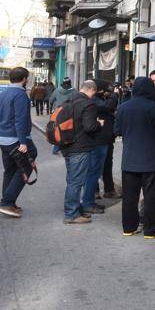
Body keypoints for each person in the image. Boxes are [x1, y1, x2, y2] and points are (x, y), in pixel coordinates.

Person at [115, 77, 155, 238]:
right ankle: (151, 229)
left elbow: (117, 130)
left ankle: (129, 227)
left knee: (129, 196)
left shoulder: (123, 107)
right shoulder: (154, 107)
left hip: (129, 159)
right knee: (150, 196)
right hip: (151, 159)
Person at [61, 80, 104, 225]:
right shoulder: (89, 104)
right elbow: (89, 127)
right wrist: (99, 124)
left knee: (71, 180)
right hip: (80, 147)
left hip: (67, 145)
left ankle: (75, 209)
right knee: (76, 182)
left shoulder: (70, 99)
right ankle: (71, 214)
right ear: (92, 90)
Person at [0, 67, 36, 218]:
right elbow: (20, 120)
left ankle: (9, 202)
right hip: (15, 138)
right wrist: (23, 142)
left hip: (3, 139)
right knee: (26, 165)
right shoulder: (20, 95)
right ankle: (7, 202)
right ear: (24, 79)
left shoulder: (3, 93)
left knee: (10, 170)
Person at [92, 81, 119, 202]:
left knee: (108, 165)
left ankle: (109, 190)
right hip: (98, 139)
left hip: (107, 138)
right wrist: (114, 95)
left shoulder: (103, 98)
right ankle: (94, 191)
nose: (108, 92)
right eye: (106, 90)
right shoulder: (94, 99)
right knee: (96, 166)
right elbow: (106, 107)